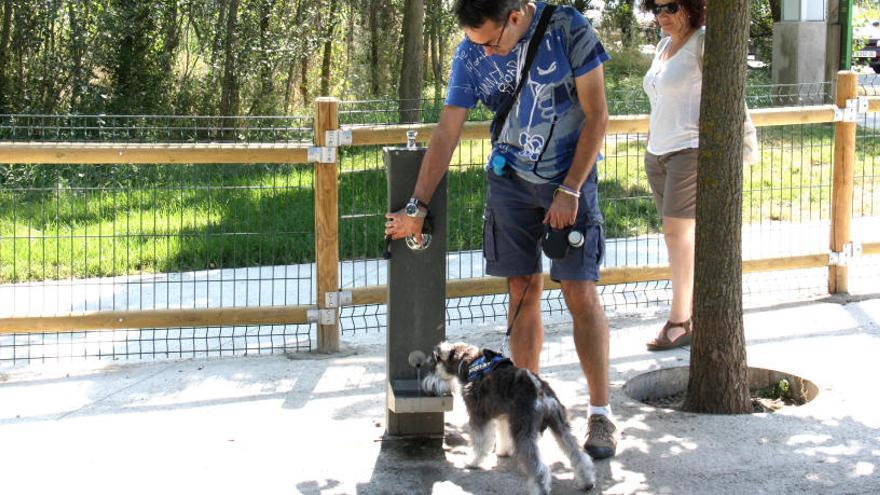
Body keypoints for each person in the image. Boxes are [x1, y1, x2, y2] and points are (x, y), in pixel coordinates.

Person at [384, 0, 616, 459]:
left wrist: (569, 189)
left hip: (569, 182)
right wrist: (417, 205)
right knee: (521, 290)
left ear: (515, 16)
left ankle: (600, 413)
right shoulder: (469, 53)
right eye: (478, 45)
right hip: (510, 183)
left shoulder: (568, 28)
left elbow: (597, 115)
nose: (486, 53)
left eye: (492, 42)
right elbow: (447, 130)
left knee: (579, 292)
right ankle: (522, 412)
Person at [640, 0, 705, 351]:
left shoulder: (702, 41)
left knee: (677, 234)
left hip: (688, 150)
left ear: (692, 7)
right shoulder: (665, 44)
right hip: (658, 153)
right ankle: (689, 310)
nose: (662, 15)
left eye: (670, 6)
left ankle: (680, 322)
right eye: (655, 8)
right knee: (677, 237)